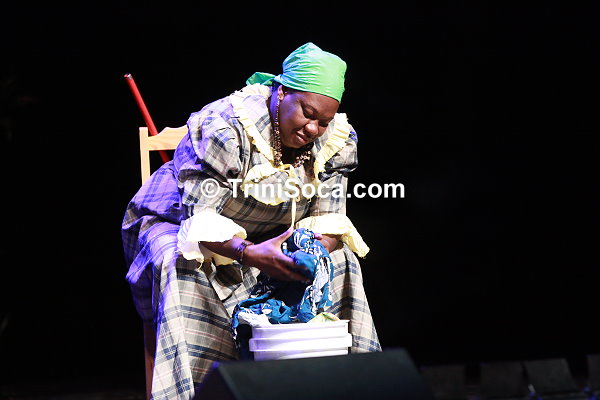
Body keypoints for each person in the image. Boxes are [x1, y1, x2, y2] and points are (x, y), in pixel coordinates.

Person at [122, 42, 381, 400]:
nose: (314, 129)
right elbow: (199, 218)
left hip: (269, 234)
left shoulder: (335, 139)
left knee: (340, 261)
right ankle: (201, 391)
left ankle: (344, 387)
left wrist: (307, 254)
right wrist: (250, 254)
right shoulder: (226, 127)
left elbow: (328, 217)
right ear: (282, 91)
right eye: (307, 113)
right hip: (178, 222)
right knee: (177, 260)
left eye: (323, 122)